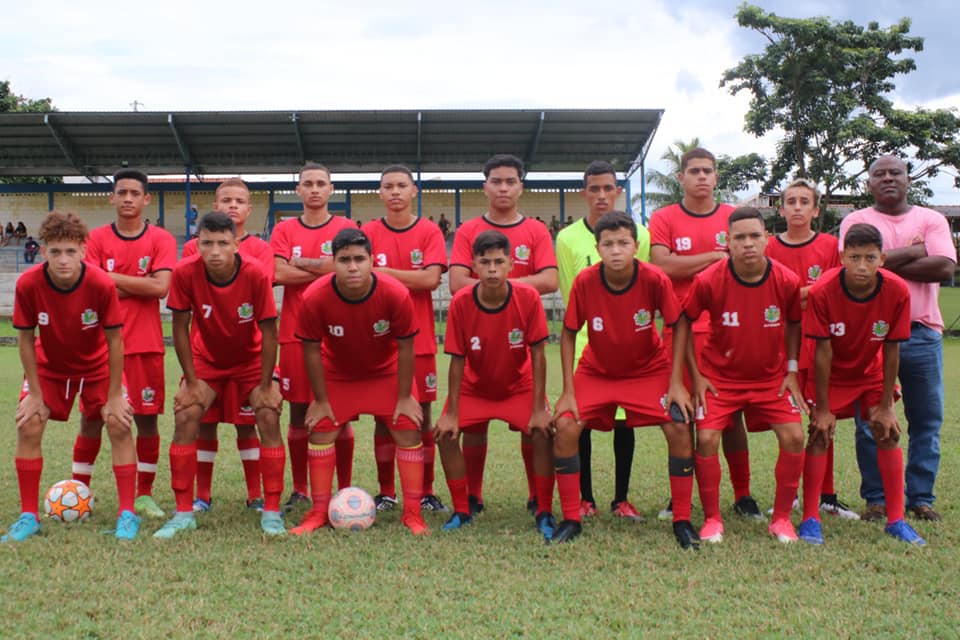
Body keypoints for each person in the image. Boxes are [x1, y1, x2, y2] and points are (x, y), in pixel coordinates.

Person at [552, 212, 698, 547]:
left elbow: (678, 325)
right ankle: (572, 517)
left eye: (623, 243)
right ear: (597, 247)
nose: (616, 250)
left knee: (679, 425)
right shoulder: (586, 282)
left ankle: (682, 520)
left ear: (636, 246)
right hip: (597, 371)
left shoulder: (655, 279)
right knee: (566, 425)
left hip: (647, 369)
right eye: (608, 244)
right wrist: (568, 391)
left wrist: (676, 383)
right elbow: (569, 333)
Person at [4, 211, 137, 542]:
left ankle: (127, 514)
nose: (63, 260)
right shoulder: (29, 284)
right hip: (49, 368)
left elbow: (115, 340)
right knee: (28, 422)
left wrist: (115, 394)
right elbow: (24, 338)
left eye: (70, 251)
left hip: (97, 367)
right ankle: (28, 516)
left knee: (119, 423)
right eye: (55, 251)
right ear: (44, 250)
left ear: (83, 250)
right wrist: (34, 393)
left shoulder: (101, 283)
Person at [839, 155, 957, 522]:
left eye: (895, 172)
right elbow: (856, 271)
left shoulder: (931, 218)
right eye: (879, 174)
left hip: (922, 333)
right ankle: (877, 498)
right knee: (869, 420)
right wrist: (918, 250)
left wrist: (880, 260)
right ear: (868, 183)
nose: (888, 178)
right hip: (870, 337)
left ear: (908, 179)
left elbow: (944, 267)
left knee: (926, 420)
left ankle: (920, 497)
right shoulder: (856, 220)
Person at [153, 212, 285, 538]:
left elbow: (270, 332)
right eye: (207, 243)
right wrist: (191, 380)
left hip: (251, 360)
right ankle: (183, 512)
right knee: (186, 416)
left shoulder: (255, 273)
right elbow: (180, 328)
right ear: (196, 244)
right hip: (206, 360)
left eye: (222, 243)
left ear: (236, 244)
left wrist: (267, 384)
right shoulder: (185, 273)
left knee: (268, 415)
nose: (214, 250)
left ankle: (270, 510)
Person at [290, 227, 428, 536]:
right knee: (321, 429)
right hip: (338, 373)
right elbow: (311, 351)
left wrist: (405, 396)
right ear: (333, 262)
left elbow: (407, 347)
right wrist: (322, 400)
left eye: (359, 259)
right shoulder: (315, 296)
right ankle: (317, 513)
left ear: (371, 261)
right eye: (344, 260)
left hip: (386, 371)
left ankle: (412, 514)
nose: (352, 267)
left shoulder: (395, 292)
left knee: (407, 427)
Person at [648, 147, 758, 521]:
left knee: (730, 417)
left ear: (716, 177)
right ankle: (680, 497)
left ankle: (743, 496)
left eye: (708, 171)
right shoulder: (664, 218)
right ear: (680, 178)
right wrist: (712, 258)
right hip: (678, 330)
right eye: (693, 171)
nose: (701, 177)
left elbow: (753, 258)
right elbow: (662, 266)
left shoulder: (733, 217)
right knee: (681, 414)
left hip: (727, 332)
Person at [685, 207, 807, 544]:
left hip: (770, 379)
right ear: (728, 242)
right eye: (739, 237)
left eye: (755, 236)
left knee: (795, 437)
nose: (748, 243)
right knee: (707, 439)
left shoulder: (785, 279)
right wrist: (696, 376)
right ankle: (712, 519)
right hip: (720, 379)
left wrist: (792, 370)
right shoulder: (708, 279)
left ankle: (781, 519)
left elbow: (795, 321)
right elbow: (683, 321)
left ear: (767, 239)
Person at [799, 223, 925, 545]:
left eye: (870, 258)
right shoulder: (823, 289)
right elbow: (822, 351)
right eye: (854, 257)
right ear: (842, 257)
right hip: (830, 372)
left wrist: (885, 406)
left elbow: (892, 348)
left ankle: (896, 519)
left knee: (887, 432)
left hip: (870, 371)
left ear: (882, 258)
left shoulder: (897, 291)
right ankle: (810, 518)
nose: (862, 266)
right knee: (818, 434)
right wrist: (823, 409)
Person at [448, 153, 558, 515]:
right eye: (496, 181)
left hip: (518, 348)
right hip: (479, 346)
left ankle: (535, 497)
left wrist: (507, 288)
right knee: (473, 426)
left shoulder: (536, 230)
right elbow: (456, 283)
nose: (503, 187)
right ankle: (472, 497)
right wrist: (506, 286)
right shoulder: (467, 231)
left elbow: (551, 279)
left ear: (521, 187)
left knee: (535, 429)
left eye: (511, 181)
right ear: (485, 187)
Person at [435, 230, 555, 538]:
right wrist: (451, 412)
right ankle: (462, 509)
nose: (491, 269)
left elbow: (539, 355)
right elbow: (457, 360)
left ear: (511, 264)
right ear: (473, 265)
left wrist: (540, 406)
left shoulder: (527, 298)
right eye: (484, 262)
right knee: (445, 435)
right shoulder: (462, 301)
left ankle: (542, 508)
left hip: (519, 385)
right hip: (475, 387)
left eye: (498, 262)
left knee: (543, 431)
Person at [555, 160, 651, 520]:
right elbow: (570, 295)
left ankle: (621, 499)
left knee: (625, 423)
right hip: (586, 343)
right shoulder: (566, 239)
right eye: (593, 189)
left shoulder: (641, 234)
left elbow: (638, 288)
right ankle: (585, 499)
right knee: (580, 424)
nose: (600, 195)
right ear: (584, 193)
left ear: (618, 191)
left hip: (627, 345)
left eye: (607, 188)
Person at [82, 170, 177, 519]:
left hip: (145, 343)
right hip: (99, 348)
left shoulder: (161, 239)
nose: (127, 198)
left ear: (146, 199)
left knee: (146, 421)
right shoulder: (95, 239)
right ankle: (81, 492)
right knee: (92, 418)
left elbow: (161, 288)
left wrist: (109, 280)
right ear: (111, 197)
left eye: (135, 193)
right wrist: (140, 281)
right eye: (121, 192)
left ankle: (144, 495)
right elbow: (88, 287)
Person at [181, 178, 275, 513]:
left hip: (247, 352)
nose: (232, 205)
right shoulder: (196, 248)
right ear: (215, 206)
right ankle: (202, 496)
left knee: (247, 421)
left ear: (248, 209)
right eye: (225, 200)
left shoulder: (261, 251)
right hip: (206, 352)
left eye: (239, 200)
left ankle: (255, 495)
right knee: (202, 421)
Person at [765, 179, 857, 519]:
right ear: (782, 209)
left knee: (823, 419)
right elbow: (769, 297)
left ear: (816, 210)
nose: (798, 207)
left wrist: (796, 295)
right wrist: (807, 292)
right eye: (791, 201)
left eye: (805, 201)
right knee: (788, 423)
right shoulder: (769, 247)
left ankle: (825, 497)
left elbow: (834, 291)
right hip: (783, 346)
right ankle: (790, 496)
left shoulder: (831, 246)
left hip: (821, 345)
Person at [271, 163, 356, 510]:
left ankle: (345, 489)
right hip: (295, 332)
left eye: (321, 183)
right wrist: (325, 267)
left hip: (340, 334)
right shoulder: (283, 229)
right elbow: (277, 273)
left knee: (342, 413)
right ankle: (301, 488)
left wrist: (300, 262)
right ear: (299, 191)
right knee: (297, 412)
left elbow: (350, 271)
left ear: (331, 189)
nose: (315, 189)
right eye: (308, 184)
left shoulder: (347, 227)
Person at [363, 165, 448, 513]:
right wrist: (405, 277)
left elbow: (429, 280)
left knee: (422, 416)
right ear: (380, 194)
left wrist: (381, 273)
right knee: (383, 418)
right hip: (378, 342)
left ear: (414, 191)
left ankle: (425, 492)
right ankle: (386, 493)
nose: (395, 192)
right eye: (388, 186)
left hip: (421, 340)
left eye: (402, 186)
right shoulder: (368, 231)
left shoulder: (429, 231)